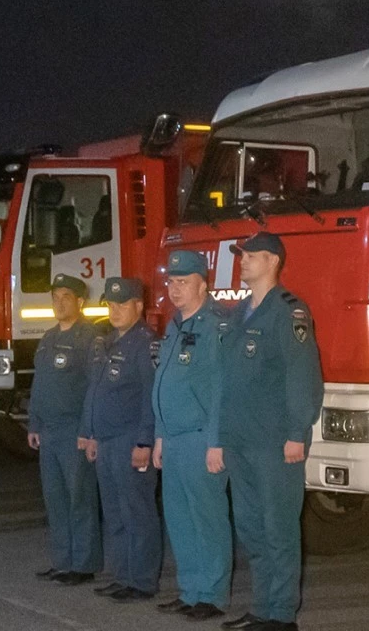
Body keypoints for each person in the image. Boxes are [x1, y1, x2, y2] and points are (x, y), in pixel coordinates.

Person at [217, 232, 323, 631]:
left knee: (278, 527)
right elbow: (229, 380)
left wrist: (298, 431)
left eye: (251, 256)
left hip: (275, 442)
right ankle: (263, 606)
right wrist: (223, 436)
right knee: (250, 526)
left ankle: (280, 613)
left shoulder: (289, 311)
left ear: (273, 261)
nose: (242, 261)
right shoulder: (240, 311)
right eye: (242, 256)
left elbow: (302, 375)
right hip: (242, 439)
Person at [151, 250, 231, 622]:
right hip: (175, 437)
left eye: (183, 282)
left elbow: (220, 390)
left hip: (201, 438)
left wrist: (217, 441)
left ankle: (212, 595)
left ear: (204, 283)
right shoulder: (174, 325)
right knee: (180, 519)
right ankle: (190, 590)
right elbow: (164, 386)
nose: (175, 289)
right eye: (171, 282)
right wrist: (160, 436)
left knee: (207, 519)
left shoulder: (214, 326)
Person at [80, 277, 161, 601]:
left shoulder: (145, 343)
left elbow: (150, 397)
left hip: (130, 440)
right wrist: (92, 435)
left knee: (137, 512)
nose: (114, 310)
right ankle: (122, 574)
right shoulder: (107, 341)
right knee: (114, 511)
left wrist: (144, 441)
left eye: (121, 304)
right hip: (108, 439)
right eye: (110, 304)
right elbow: (96, 391)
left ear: (138, 306)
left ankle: (141, 581)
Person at [28, 274, 102, 586]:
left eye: (66, 297)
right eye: (55, 297)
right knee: (55, 498)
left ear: (80, 302)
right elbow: (39, 384)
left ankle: (83, 564)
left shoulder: (90, 338)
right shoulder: (47, 337)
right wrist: (33, 423)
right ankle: (62, 560)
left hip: (74, 431)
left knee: (79, 498)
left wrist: (88, 431)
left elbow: (95, 389)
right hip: (49, 432)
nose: (59, 303)